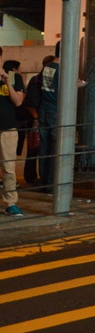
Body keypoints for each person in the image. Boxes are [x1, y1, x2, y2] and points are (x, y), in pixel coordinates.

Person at [1, 56, 26, 216]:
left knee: (9, 168)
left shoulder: (13, 77)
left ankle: (10, 203)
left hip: (8, 127)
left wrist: (6, 81)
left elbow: (18, 101)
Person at [36, 45, 60, 190]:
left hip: (44, 109)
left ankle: (43, 179)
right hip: (55, 110)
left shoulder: (47, 67)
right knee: (55, 146)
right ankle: (51, 182)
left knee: (44, 146)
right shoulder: (62, 69)